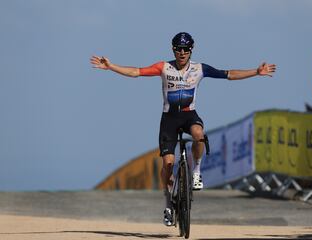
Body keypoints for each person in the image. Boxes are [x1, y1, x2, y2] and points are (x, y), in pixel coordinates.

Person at [90, 32, 276, 226]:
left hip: (189, 116)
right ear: (173, 49)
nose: (182, 52)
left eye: (186, 49)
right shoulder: (164, 67)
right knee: (168, 165)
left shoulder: (199, 68)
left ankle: (196, 170)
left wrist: (256, 71)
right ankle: (169, 205)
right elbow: (136, 72)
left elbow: (229, 74)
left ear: (191, 50)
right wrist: (111, 66)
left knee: (198, 134)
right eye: (178, 48)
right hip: (169, 119)